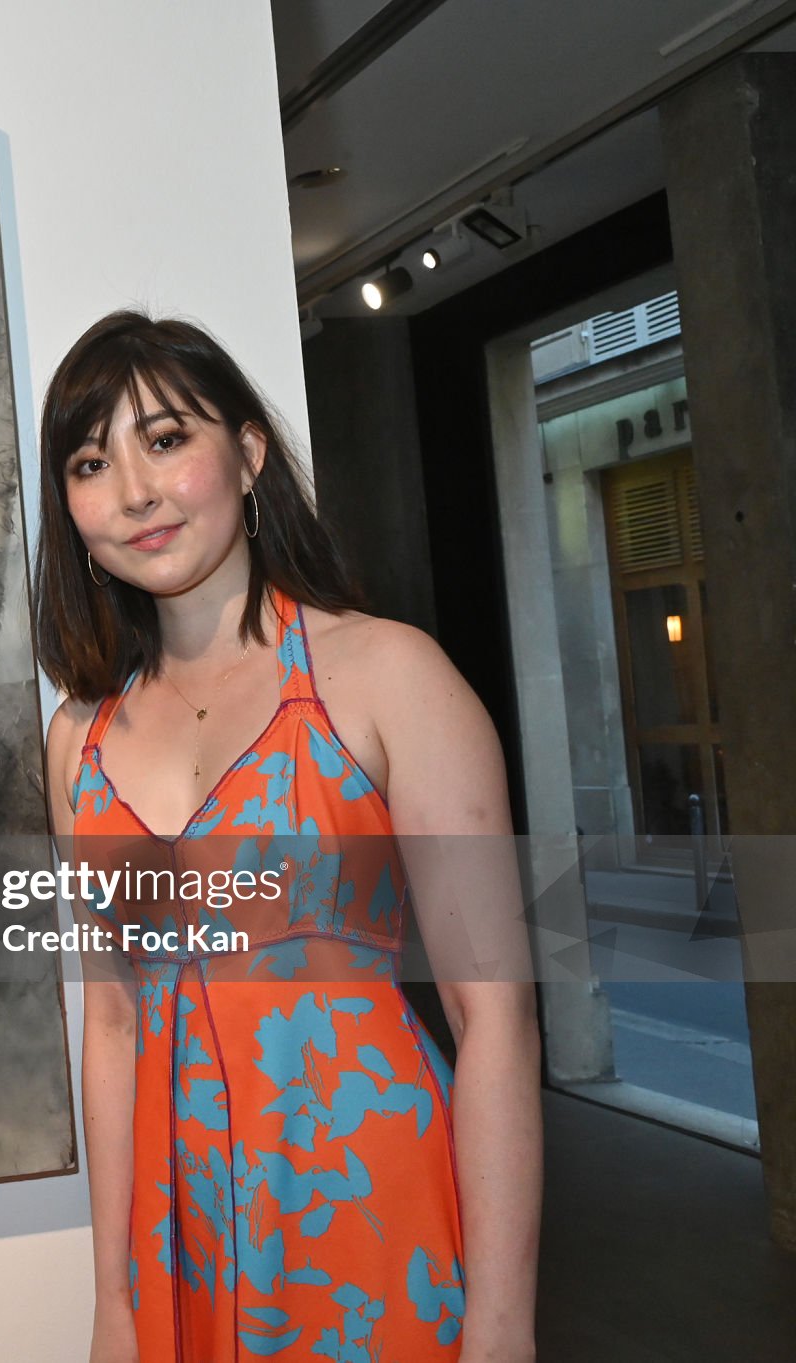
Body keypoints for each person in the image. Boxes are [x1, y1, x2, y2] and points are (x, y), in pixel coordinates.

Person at [32, 310, 542, 1362]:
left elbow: (492, 1017)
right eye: (91, 462)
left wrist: (501, 1328)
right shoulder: (78, 739)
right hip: (181, 1248)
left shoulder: (387, 675)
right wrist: (114, 1303)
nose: (133, 490)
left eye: (165, 439)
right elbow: (114, 1027)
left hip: (371, 1218)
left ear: (249, 452)